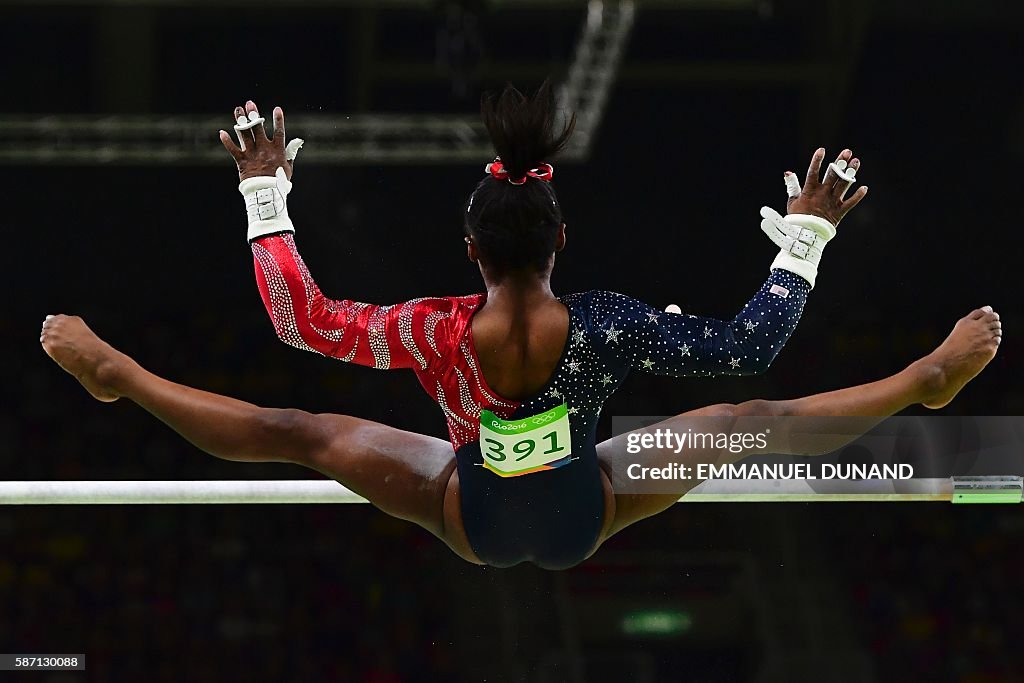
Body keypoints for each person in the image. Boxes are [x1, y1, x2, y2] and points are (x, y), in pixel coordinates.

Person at [40, 84, 998, 569]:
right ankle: (924, 379)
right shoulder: (609, 326)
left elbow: (303, 321)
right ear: (561, 241)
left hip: (470, 510)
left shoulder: (436, 331)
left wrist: (262, 194)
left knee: (294, 430)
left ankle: (121, 374)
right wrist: (805, 242)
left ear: (470, 248)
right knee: (757, 420)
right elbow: (746, 345)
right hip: (590, 506)